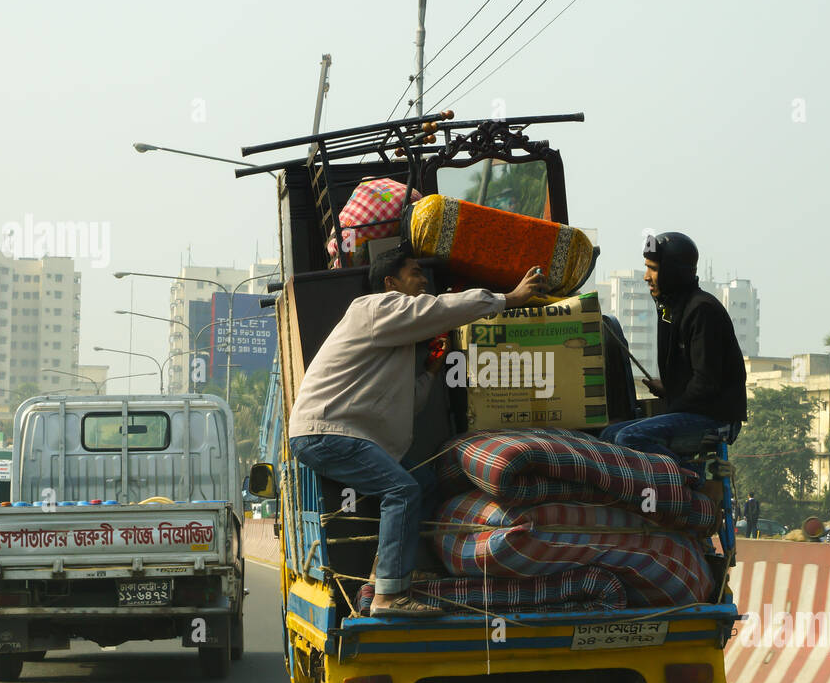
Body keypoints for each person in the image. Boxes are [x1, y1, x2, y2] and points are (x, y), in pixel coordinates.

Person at [288, 251, 547, 617]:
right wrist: (509, 299)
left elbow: (406, 404)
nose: (423, 281)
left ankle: (387, 573)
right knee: (402, 490)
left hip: (346, 433)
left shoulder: (395, 335)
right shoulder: (376, 308)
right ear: (390, 283)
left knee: (422, 481)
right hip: (327, 432)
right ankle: (388, 596)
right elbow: (438, 309)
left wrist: (430, 370)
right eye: (414, 274)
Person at [600, 232, 748, 500]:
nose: (646, 277)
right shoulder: (670, 308)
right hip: (692, 410)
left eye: (653, 269)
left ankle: (694, 480)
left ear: (672, 272)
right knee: (609, 434)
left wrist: (672, 400)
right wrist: (667, 388)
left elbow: (706, 384)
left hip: (716, 420)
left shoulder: (702, 310)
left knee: (629, 439)